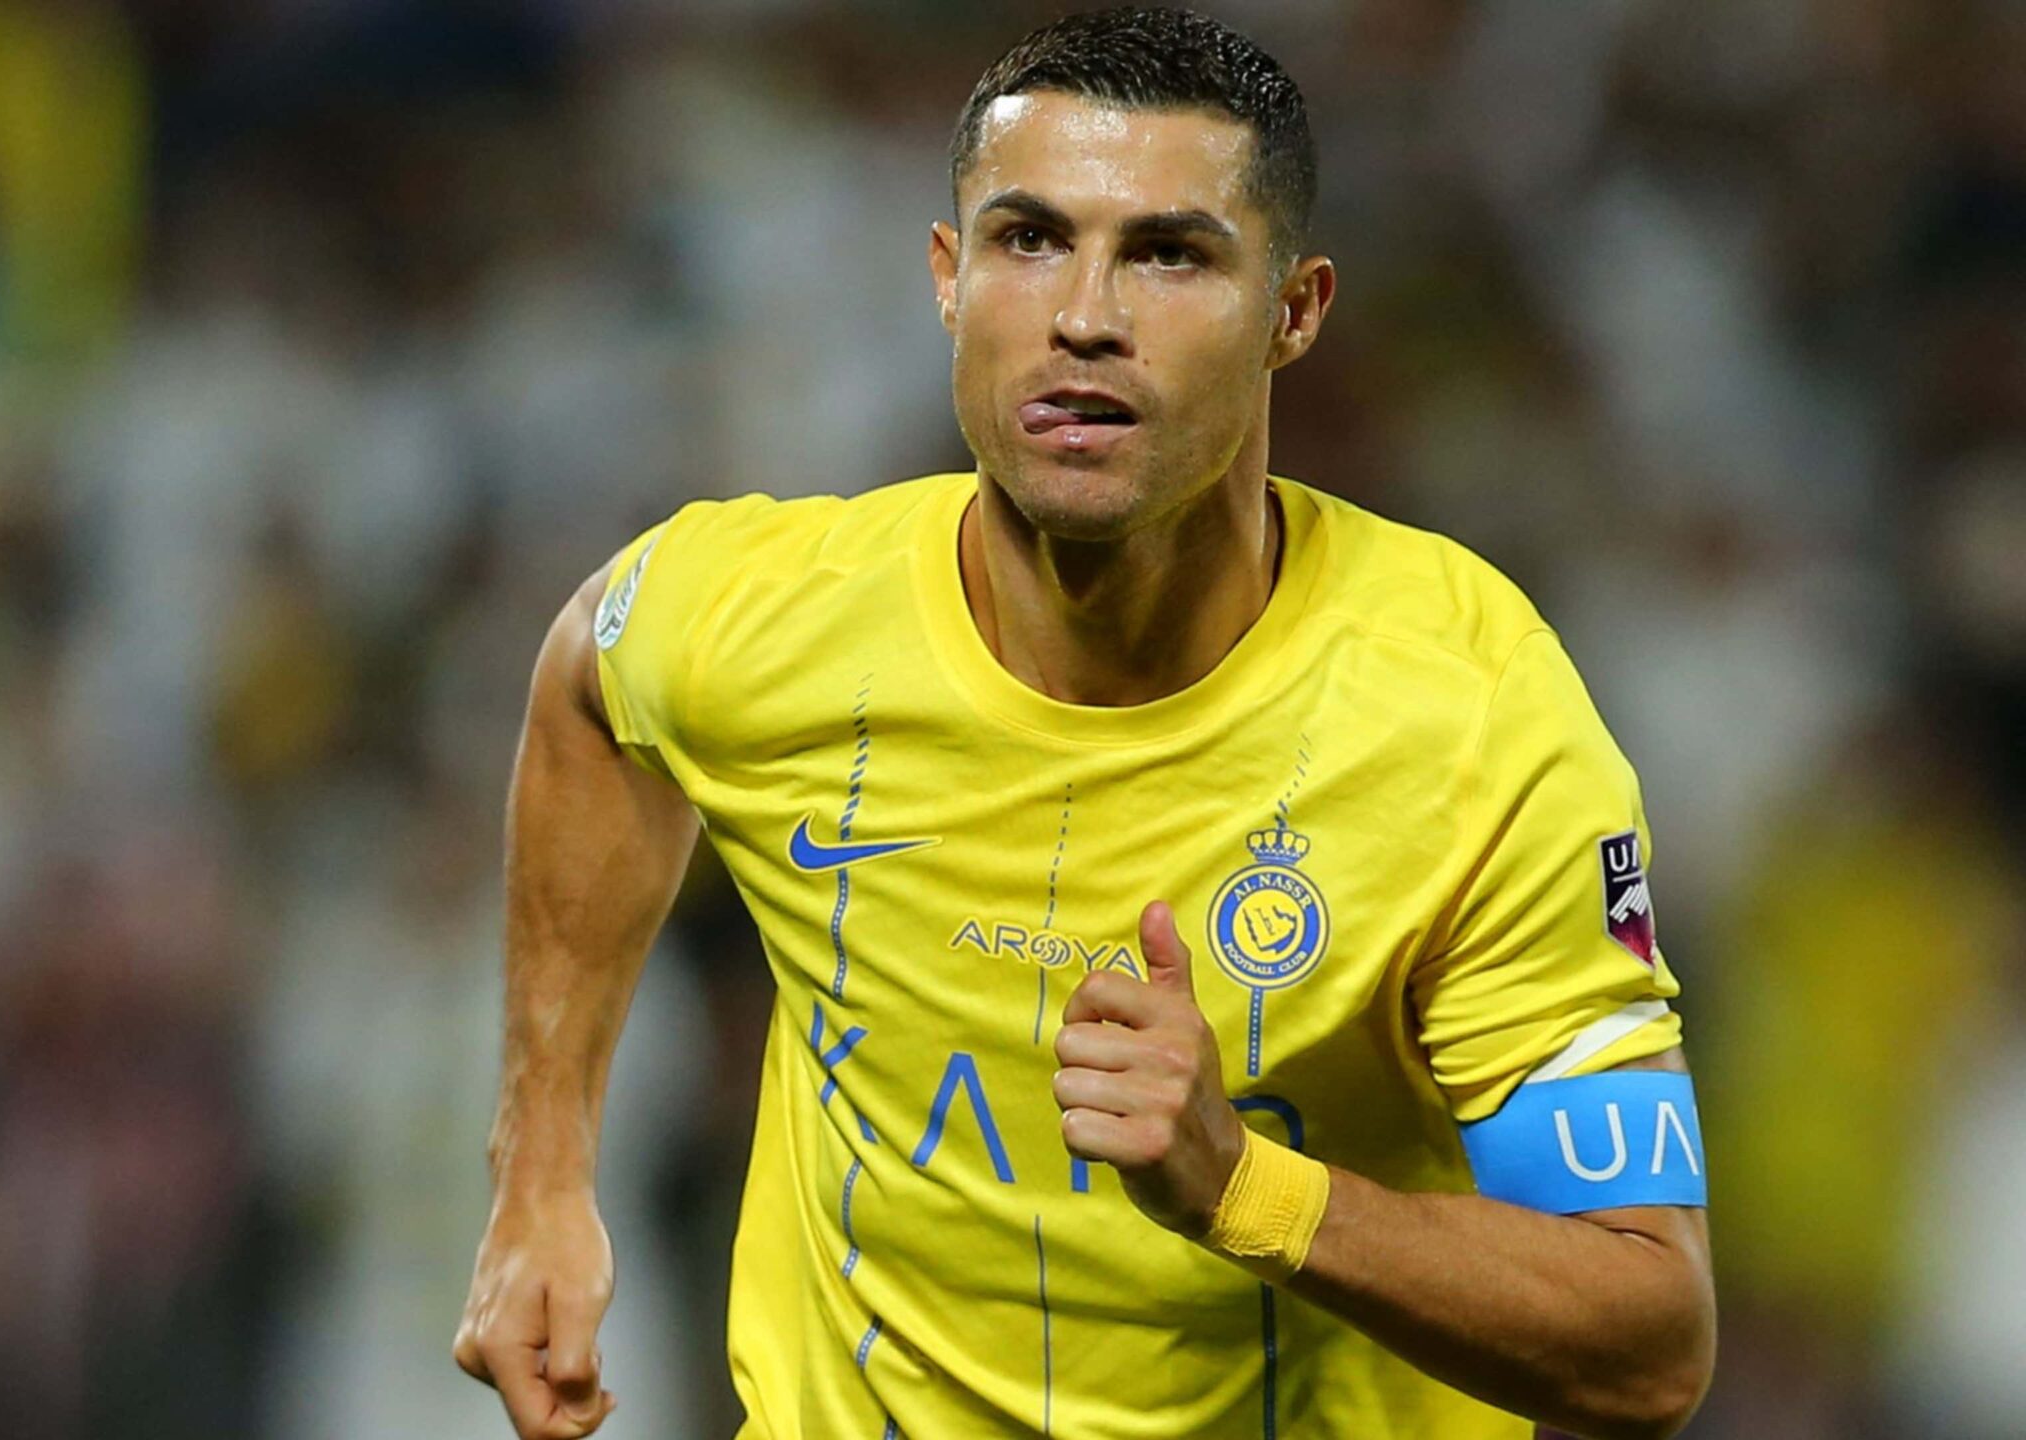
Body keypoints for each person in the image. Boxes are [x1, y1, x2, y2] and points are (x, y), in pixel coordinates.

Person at [453, 9, 1716, 1438]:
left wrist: (1244, 1186)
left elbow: (1648, 1338)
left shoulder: (1471, 716)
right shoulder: (773, 614)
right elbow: (591, 682)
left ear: (1295, 312)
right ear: (948, 277)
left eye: (1169, 254)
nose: (1085, 317)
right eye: (1030, 239)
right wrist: (540, 1172)